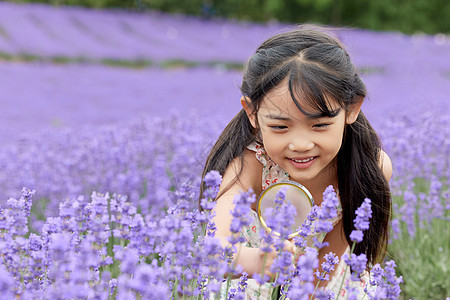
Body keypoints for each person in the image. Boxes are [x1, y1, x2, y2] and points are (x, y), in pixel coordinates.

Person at [200, 25, 392, 299]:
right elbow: (213, 248)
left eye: (320, 125)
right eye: (280, 127)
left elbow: (328, 267)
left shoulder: (366, 168)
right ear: (252, 113)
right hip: (248, 282)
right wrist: (257, 261)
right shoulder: (251, 165)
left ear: (352, 109)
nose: (301, 144)